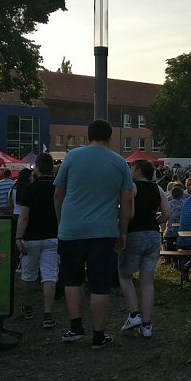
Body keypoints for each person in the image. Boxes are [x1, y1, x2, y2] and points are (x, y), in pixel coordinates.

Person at [54, 119, 135, 350]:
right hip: (103, 231)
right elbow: (127, 200)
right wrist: (123, 231)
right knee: (100, 284)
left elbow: (58, 193)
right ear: (110, 137)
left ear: (88, 135)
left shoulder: (72, 157)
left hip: (71, 229)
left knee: (72, 279)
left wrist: (61, 222)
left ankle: (75, 327)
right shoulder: (119, 162)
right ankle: (98, 336)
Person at [119, 159, 170, 339]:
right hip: (153, 235)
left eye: (132, 167)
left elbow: (128, 212)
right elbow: (167, 214)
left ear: (139, 171)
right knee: (147, 282)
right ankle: (147, 326)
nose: (130, 170)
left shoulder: (133, 187)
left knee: (125, 275)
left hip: (135, 233)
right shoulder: (159, 189)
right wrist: (152, 222)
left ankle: (134, 314)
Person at [14, 153, 59, 329]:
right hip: (52, 236)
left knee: (29, 275)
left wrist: (18, 237)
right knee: (49, 275)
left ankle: (28, 306)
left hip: (31, 237)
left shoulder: (29, 189)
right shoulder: (57, 188)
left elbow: (23, 217)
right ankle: (48, 314)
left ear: (37, 168)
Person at [163, 184, 185, 249]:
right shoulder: (185, 203)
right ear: (182, 194)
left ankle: (169, 257)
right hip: (183, 232)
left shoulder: (168, 204)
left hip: (169, 233)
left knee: (168, 235)